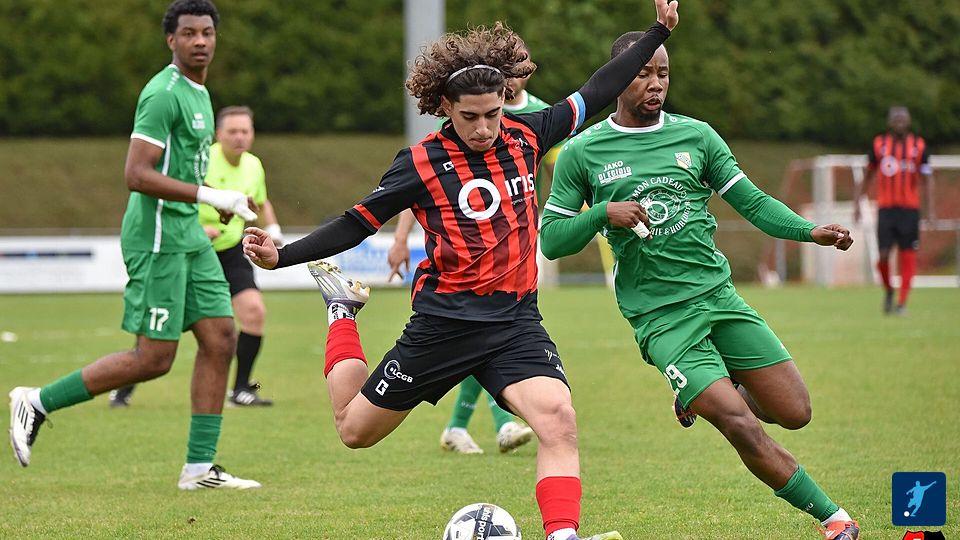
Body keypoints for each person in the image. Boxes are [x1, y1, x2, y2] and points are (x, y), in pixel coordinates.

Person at [243, 3, 678, 539]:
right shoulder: (419, 162)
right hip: (443, 325)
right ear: (445, 107)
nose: (484, 127)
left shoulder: (530, 133)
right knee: (355, 430)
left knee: (558, 418)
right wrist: (282, 255)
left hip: (515, 322)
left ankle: (562, 535)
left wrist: (658, 31)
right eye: (470, 117)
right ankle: (341, 311)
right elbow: (356, 222)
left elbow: (599, 88)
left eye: (493, 113)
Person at [539, 31, 860, 540]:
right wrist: (602, 213)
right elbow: (553, 239)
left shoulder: (697, 136)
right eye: (643, 73)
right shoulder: (584, 151)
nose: (655, 83)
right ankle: (834, 519)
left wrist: (809, 231)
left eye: (663, 73)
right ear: (618, 79)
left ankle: (702, 392)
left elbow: (753, 203)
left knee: (795, 412)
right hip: (661, 317)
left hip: (718, 297)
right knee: (740, 425)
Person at [8, 0, 260, 490]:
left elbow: (180, 170)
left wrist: (219, 198)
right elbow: (136, 174)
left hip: (189, 234)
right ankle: (35, 401)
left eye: (207, 32)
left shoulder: (200, 94)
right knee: (153, 358)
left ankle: (199, 470)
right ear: (171, 40)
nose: (200, 41)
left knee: (221, 338)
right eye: (189, 33)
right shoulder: (162, 94)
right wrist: (210, 195)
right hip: (158, 239)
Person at [386, 54, 559, 456]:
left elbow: (558, 165)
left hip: (515, 250)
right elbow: (421, 189)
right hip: (468, 258)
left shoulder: (537, 115)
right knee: (483, 336)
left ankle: (459, 426)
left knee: (492, 339)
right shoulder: (463, 118)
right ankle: (496, 424)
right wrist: (400, 238)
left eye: (522, 69)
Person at [109, 105, 284, 408]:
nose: (240, 137)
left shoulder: (254, 165)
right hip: (189, 248)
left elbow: (261, 200)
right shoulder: (203, 161)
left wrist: (274, 229)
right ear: (218, 134)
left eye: (245, 131)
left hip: (230, 250)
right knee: (162, 322)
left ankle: (241, 390)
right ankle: (123, 388)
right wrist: (198, 228)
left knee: (254, 311)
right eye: (233, 131)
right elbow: (175, 196)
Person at [853, 106, 935, 315]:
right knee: (883, 255)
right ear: (890, 122)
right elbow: (867, 175)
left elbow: (927, 179)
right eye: (896, 119)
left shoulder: (919, 145)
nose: (900, 122)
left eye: (903, 118)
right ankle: (889, 290)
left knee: (908, 255)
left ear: (908, 121)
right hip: (886, 210)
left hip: (910, 210)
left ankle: (902, 302)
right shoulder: (879, 145)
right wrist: (857, 205)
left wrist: (930, 210)